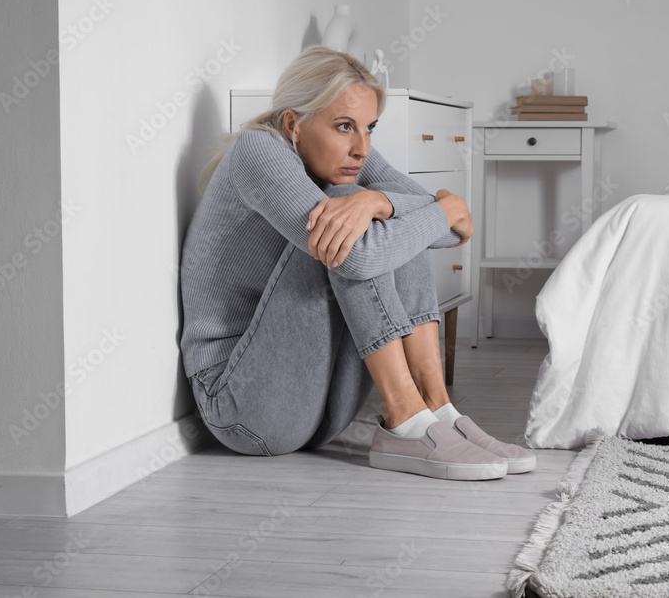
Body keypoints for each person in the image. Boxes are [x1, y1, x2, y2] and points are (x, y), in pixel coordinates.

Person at [179, 45, 535, 480]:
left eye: (369, 128)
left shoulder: (350, 157)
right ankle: (406, 416)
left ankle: (435, 406)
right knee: (356, 219)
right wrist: (444, 206)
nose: (361, 147)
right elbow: (415, 232)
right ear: (294, 122)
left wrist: (380, 201)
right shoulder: (259, 151)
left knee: (386, 217)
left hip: (317, 407)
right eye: (344, 127)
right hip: (241, 407)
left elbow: (448, 232)